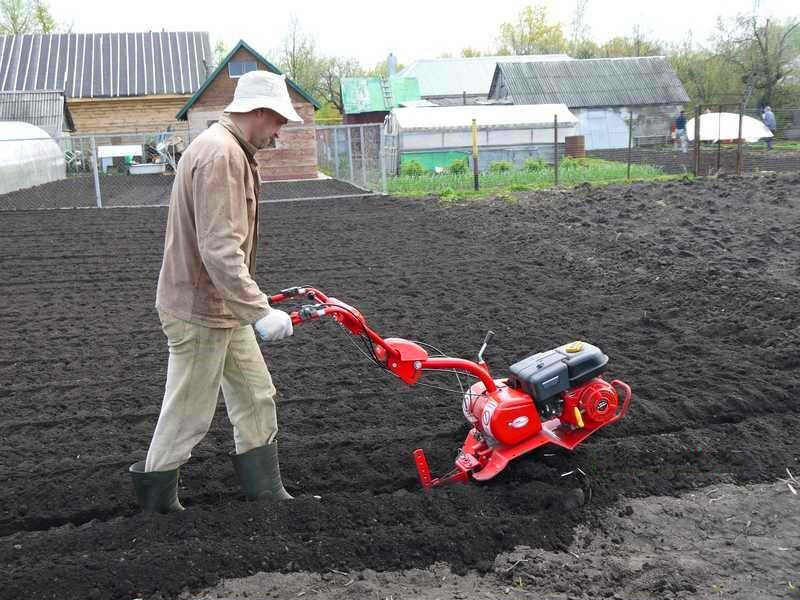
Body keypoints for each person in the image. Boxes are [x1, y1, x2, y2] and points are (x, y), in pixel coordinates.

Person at [128, 70, 303, 513]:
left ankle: (265, 492)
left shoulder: (229, 149)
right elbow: (219, 248)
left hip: (223, 307)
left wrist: (248, 307)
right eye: (280, 120)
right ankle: (157, 507)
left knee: (256, 394)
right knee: (188, 411)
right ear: (260, 113)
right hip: (198, 310)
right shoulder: (220, 155)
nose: (281, 131)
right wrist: (259, 311)